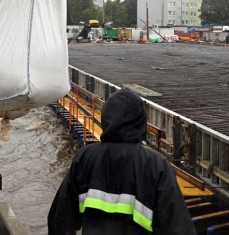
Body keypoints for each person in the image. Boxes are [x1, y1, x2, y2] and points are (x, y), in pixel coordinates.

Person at [47, 88, 195, 235]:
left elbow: (59, 218)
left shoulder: (85, 158)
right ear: (141, 122)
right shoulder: (157, 166)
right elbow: (178, 228)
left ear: (106, 118)